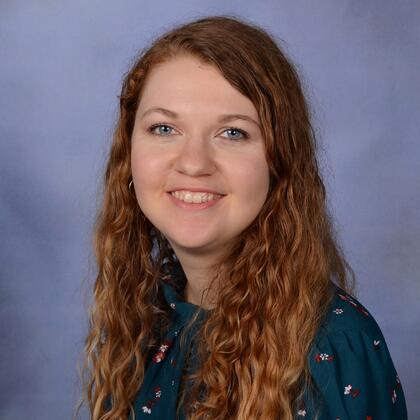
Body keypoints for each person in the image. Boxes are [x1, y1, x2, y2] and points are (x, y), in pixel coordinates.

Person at [75, 15, 408, 420]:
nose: (193, 163)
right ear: (128, 154)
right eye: (163, 128)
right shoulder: (147, 320)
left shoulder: (334, 347)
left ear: (279, 163)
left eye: (233, 133)